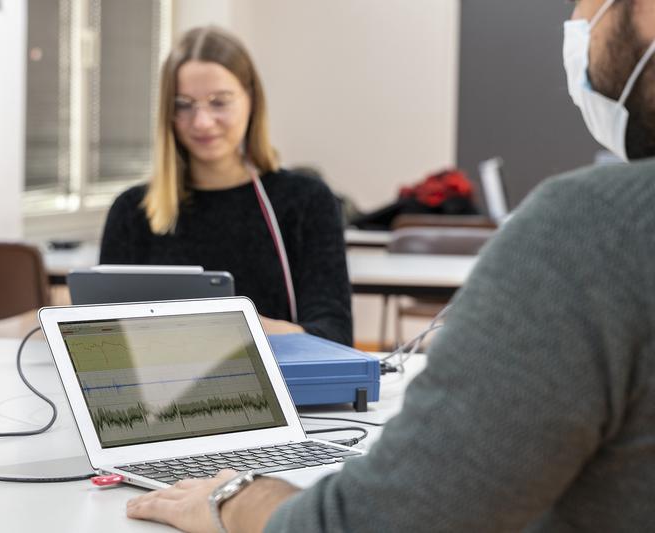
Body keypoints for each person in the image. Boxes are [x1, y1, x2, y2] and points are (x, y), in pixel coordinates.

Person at [126, 1, 655, 531]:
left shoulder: (594, 228)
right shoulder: (134, 209)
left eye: (587, 5)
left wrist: (235, 495)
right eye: (184, 105)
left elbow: (384, 519)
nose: (575, 27)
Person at [99, 26, 352, 346]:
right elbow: (105, 335)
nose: (202, 121)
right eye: (183, 104)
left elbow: (335, 334)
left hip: (285, 391)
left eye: (219, 102)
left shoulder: (306, 201)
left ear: (251, 100)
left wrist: (245, 329)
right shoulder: (132, 211)